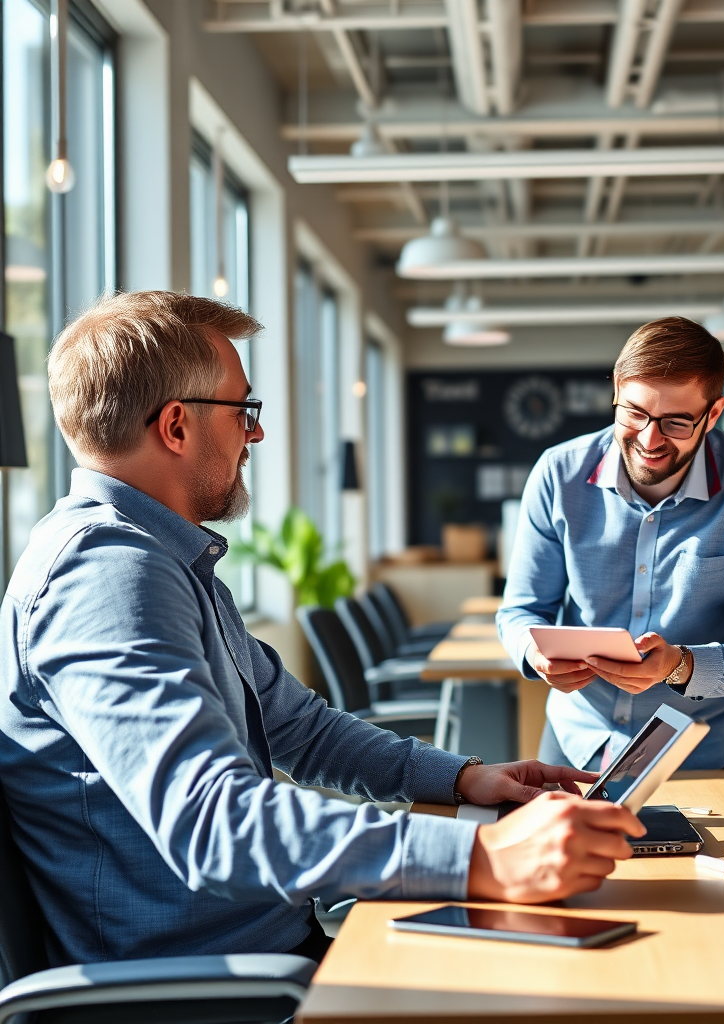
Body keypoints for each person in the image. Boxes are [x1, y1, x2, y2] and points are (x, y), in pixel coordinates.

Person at [0, 291, 644, 967]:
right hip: (212, 987)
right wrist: (480, 856)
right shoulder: (106, 577)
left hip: (267, 949)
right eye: (243, 410)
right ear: (177, 426)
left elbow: (297, 729)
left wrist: (462, 780)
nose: (257, 434)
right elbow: (214, 823)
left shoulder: (164, 560)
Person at [497, 317, 724, 774]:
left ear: (713, 414)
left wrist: (682, 666)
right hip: (578, 740)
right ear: (617, 393)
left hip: (702, 751)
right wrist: (533, 651)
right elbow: (519, 611)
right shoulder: (557, 475)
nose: (649, 439)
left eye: (676, 422)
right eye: (634, 413)